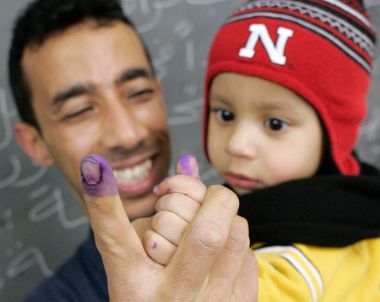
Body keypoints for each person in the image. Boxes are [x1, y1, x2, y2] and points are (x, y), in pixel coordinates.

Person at [86, 0, 380, 301]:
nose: (238, 144)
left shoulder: (295, 266)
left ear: (336, 136)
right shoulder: (365, 204)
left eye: (275, 124)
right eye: (225, 114)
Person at [9, 0, 257, 300]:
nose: (127, 135)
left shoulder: (276, 231)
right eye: (80, 110)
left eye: (139, 93)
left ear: (160, 95)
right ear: (34, 143)